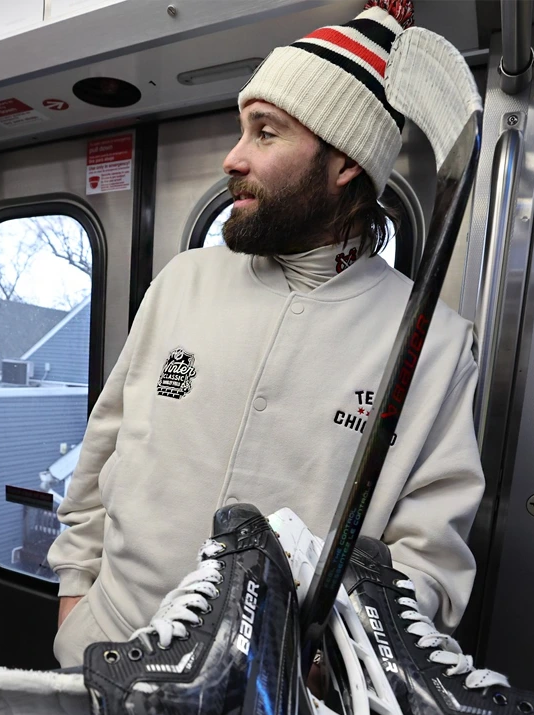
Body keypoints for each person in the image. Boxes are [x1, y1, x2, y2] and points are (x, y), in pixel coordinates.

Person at [48, 0, 485, 668]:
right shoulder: (180, 282)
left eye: (265, 133)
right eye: (240, 130)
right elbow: (98, 459)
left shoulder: (433, 344)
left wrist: (336, 660)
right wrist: (75, 601)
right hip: (107, 654)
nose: (233, 158)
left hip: (274, 710)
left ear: (343, 164)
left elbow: (429, 566)